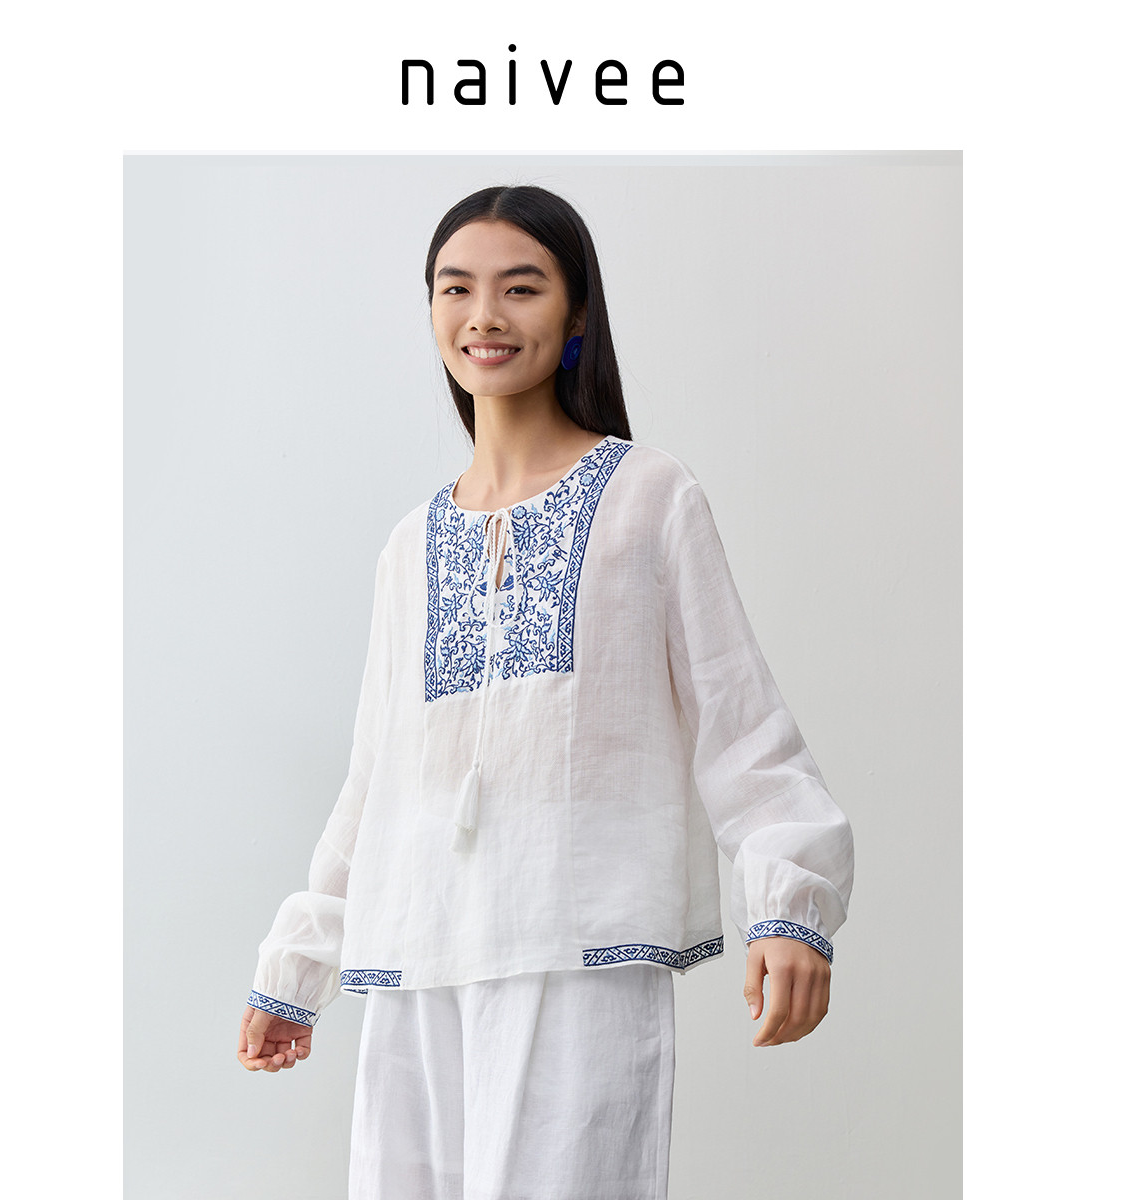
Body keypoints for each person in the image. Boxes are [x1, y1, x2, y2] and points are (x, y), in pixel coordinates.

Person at [235, 184, 855, 1199]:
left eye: (520, 288)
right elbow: (377, 781)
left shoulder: (649, 497)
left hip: (577, 950)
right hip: (417, 962)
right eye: (456, 288)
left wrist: (790, 907)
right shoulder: (409, 546)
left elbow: (740, 723)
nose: (484, 314)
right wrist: (296, 965)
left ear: (575, 320)